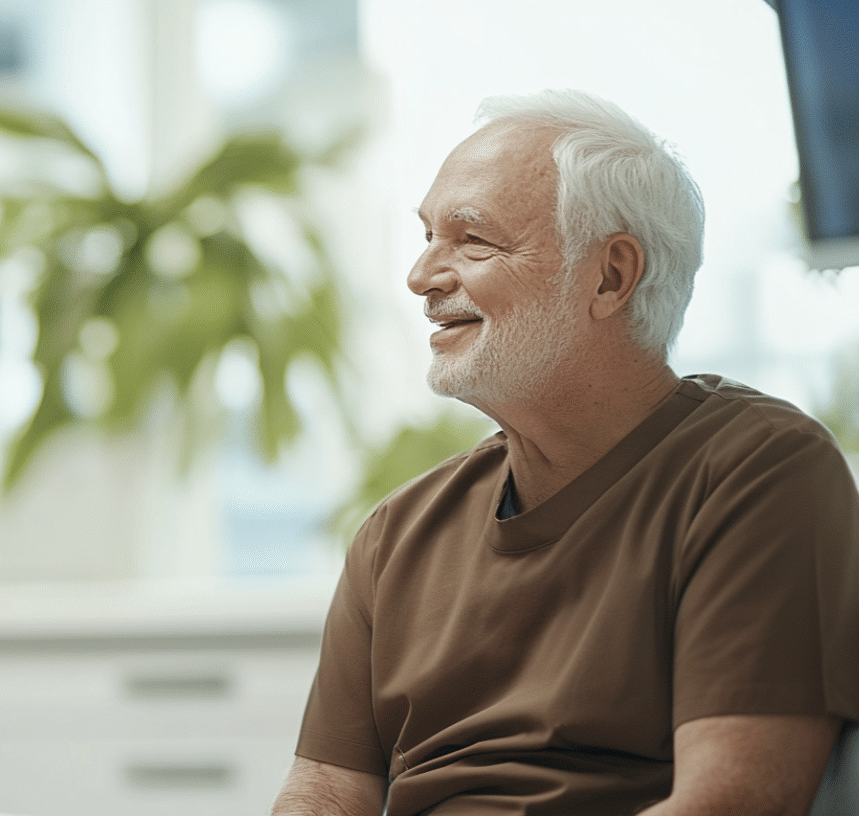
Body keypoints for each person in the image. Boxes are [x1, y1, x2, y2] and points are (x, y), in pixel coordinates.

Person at [271, 89, 859, 815]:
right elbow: (324, 791)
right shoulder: (399, 532)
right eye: (426, 236)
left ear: (611, 276)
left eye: (472, 239)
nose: (422, 276)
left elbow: (732, 802)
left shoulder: (758, 472)